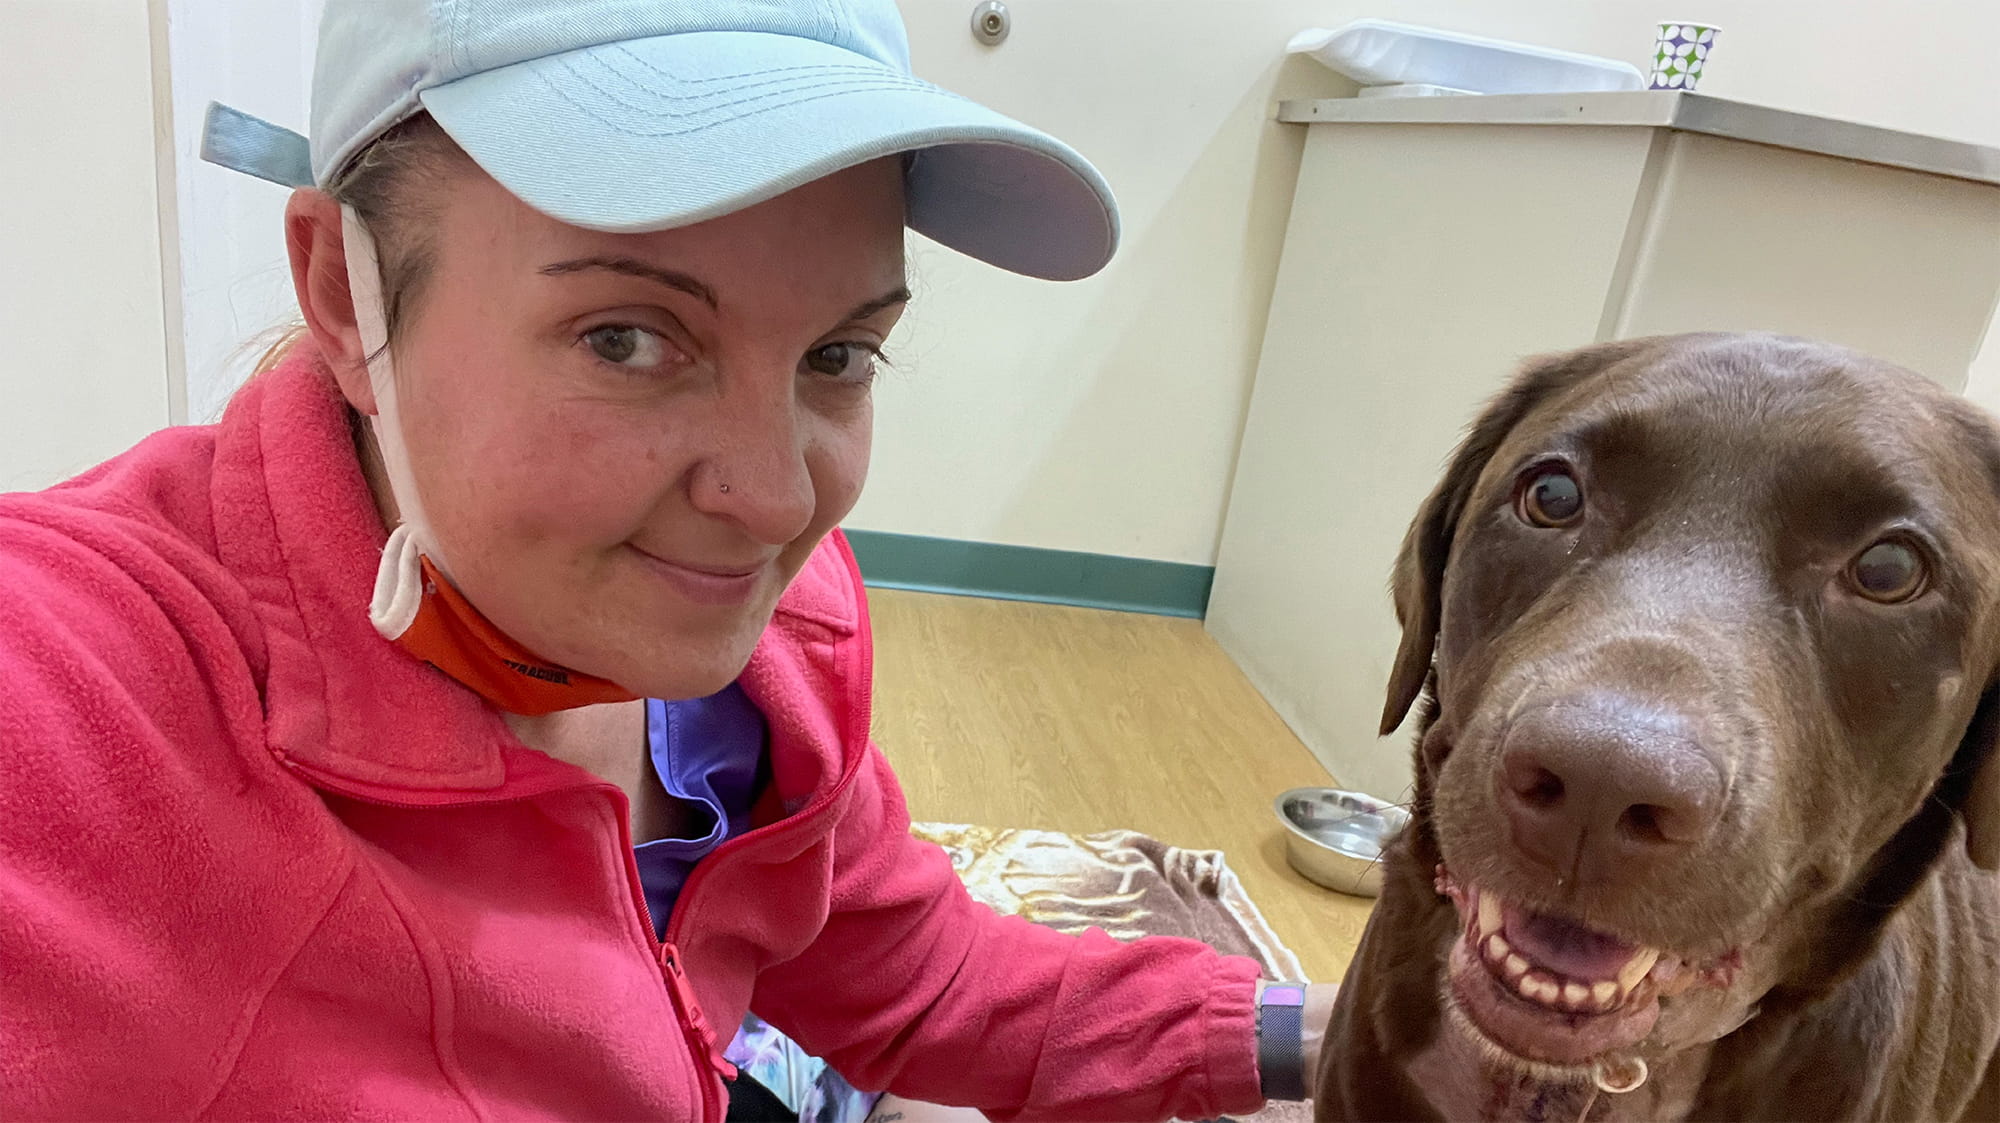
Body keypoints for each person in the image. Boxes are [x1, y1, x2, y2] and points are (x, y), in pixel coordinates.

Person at [0, 1, 1331, 1119]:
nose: (768, 504)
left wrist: (1330, 1037)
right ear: (347, 297)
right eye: (625, 339)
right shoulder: (97, 689)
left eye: (838, 355)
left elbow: (914, 976)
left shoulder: (769, 673)